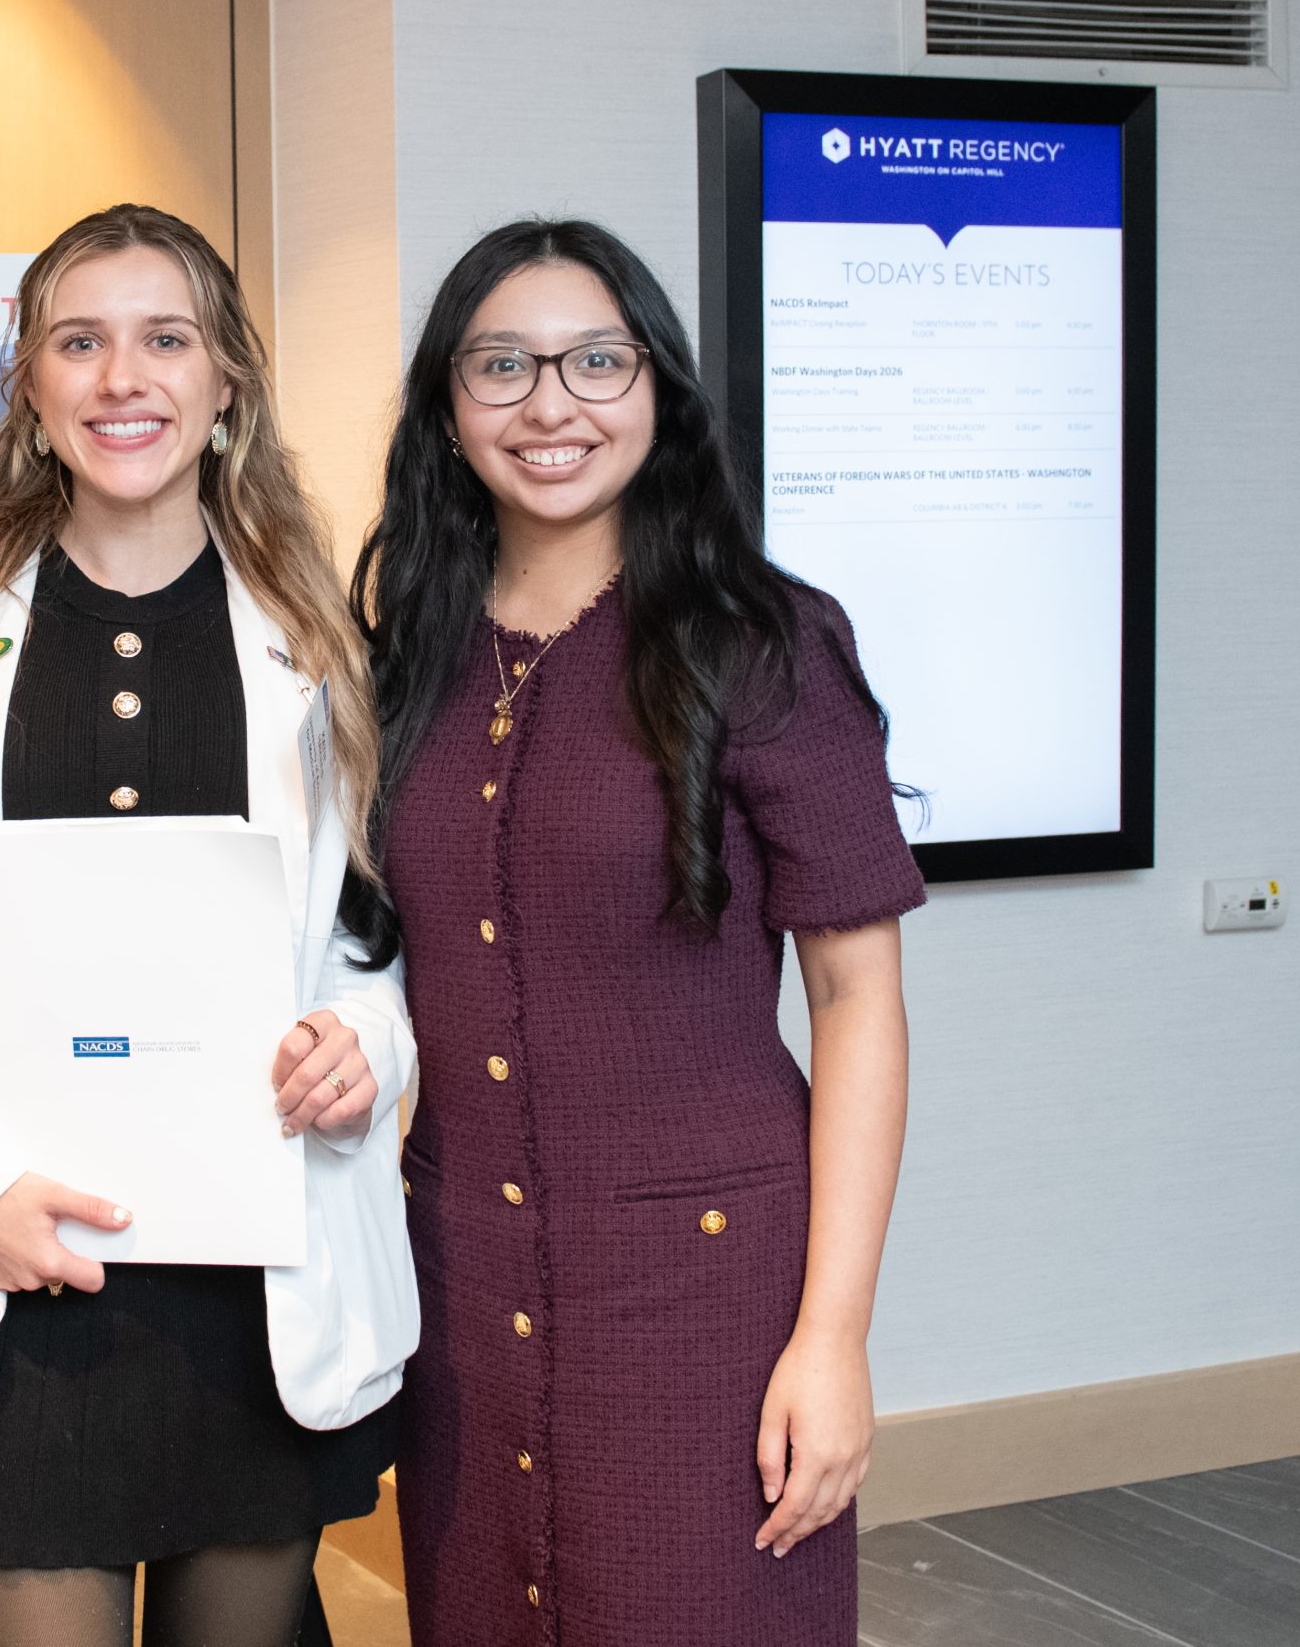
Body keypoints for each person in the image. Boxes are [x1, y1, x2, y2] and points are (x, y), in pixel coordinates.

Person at [0, 204, 418, 1647]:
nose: (121, 376)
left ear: (227, 383)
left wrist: (359, 1039)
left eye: (164, 338)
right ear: (28, 382)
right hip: (15, 1279)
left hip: (252, 1279)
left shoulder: (320, 638)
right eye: (80, 340)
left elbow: (375, 938)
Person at [353, 219, 922, 1647]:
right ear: (447, 405)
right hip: (463, 1276)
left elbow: (857, 997)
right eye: (503, 367)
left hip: (708, 1289)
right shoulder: (403, 647)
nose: (552, 405)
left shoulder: (762, 639)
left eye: (596, 360)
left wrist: (832, 1336)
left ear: (658, 386)